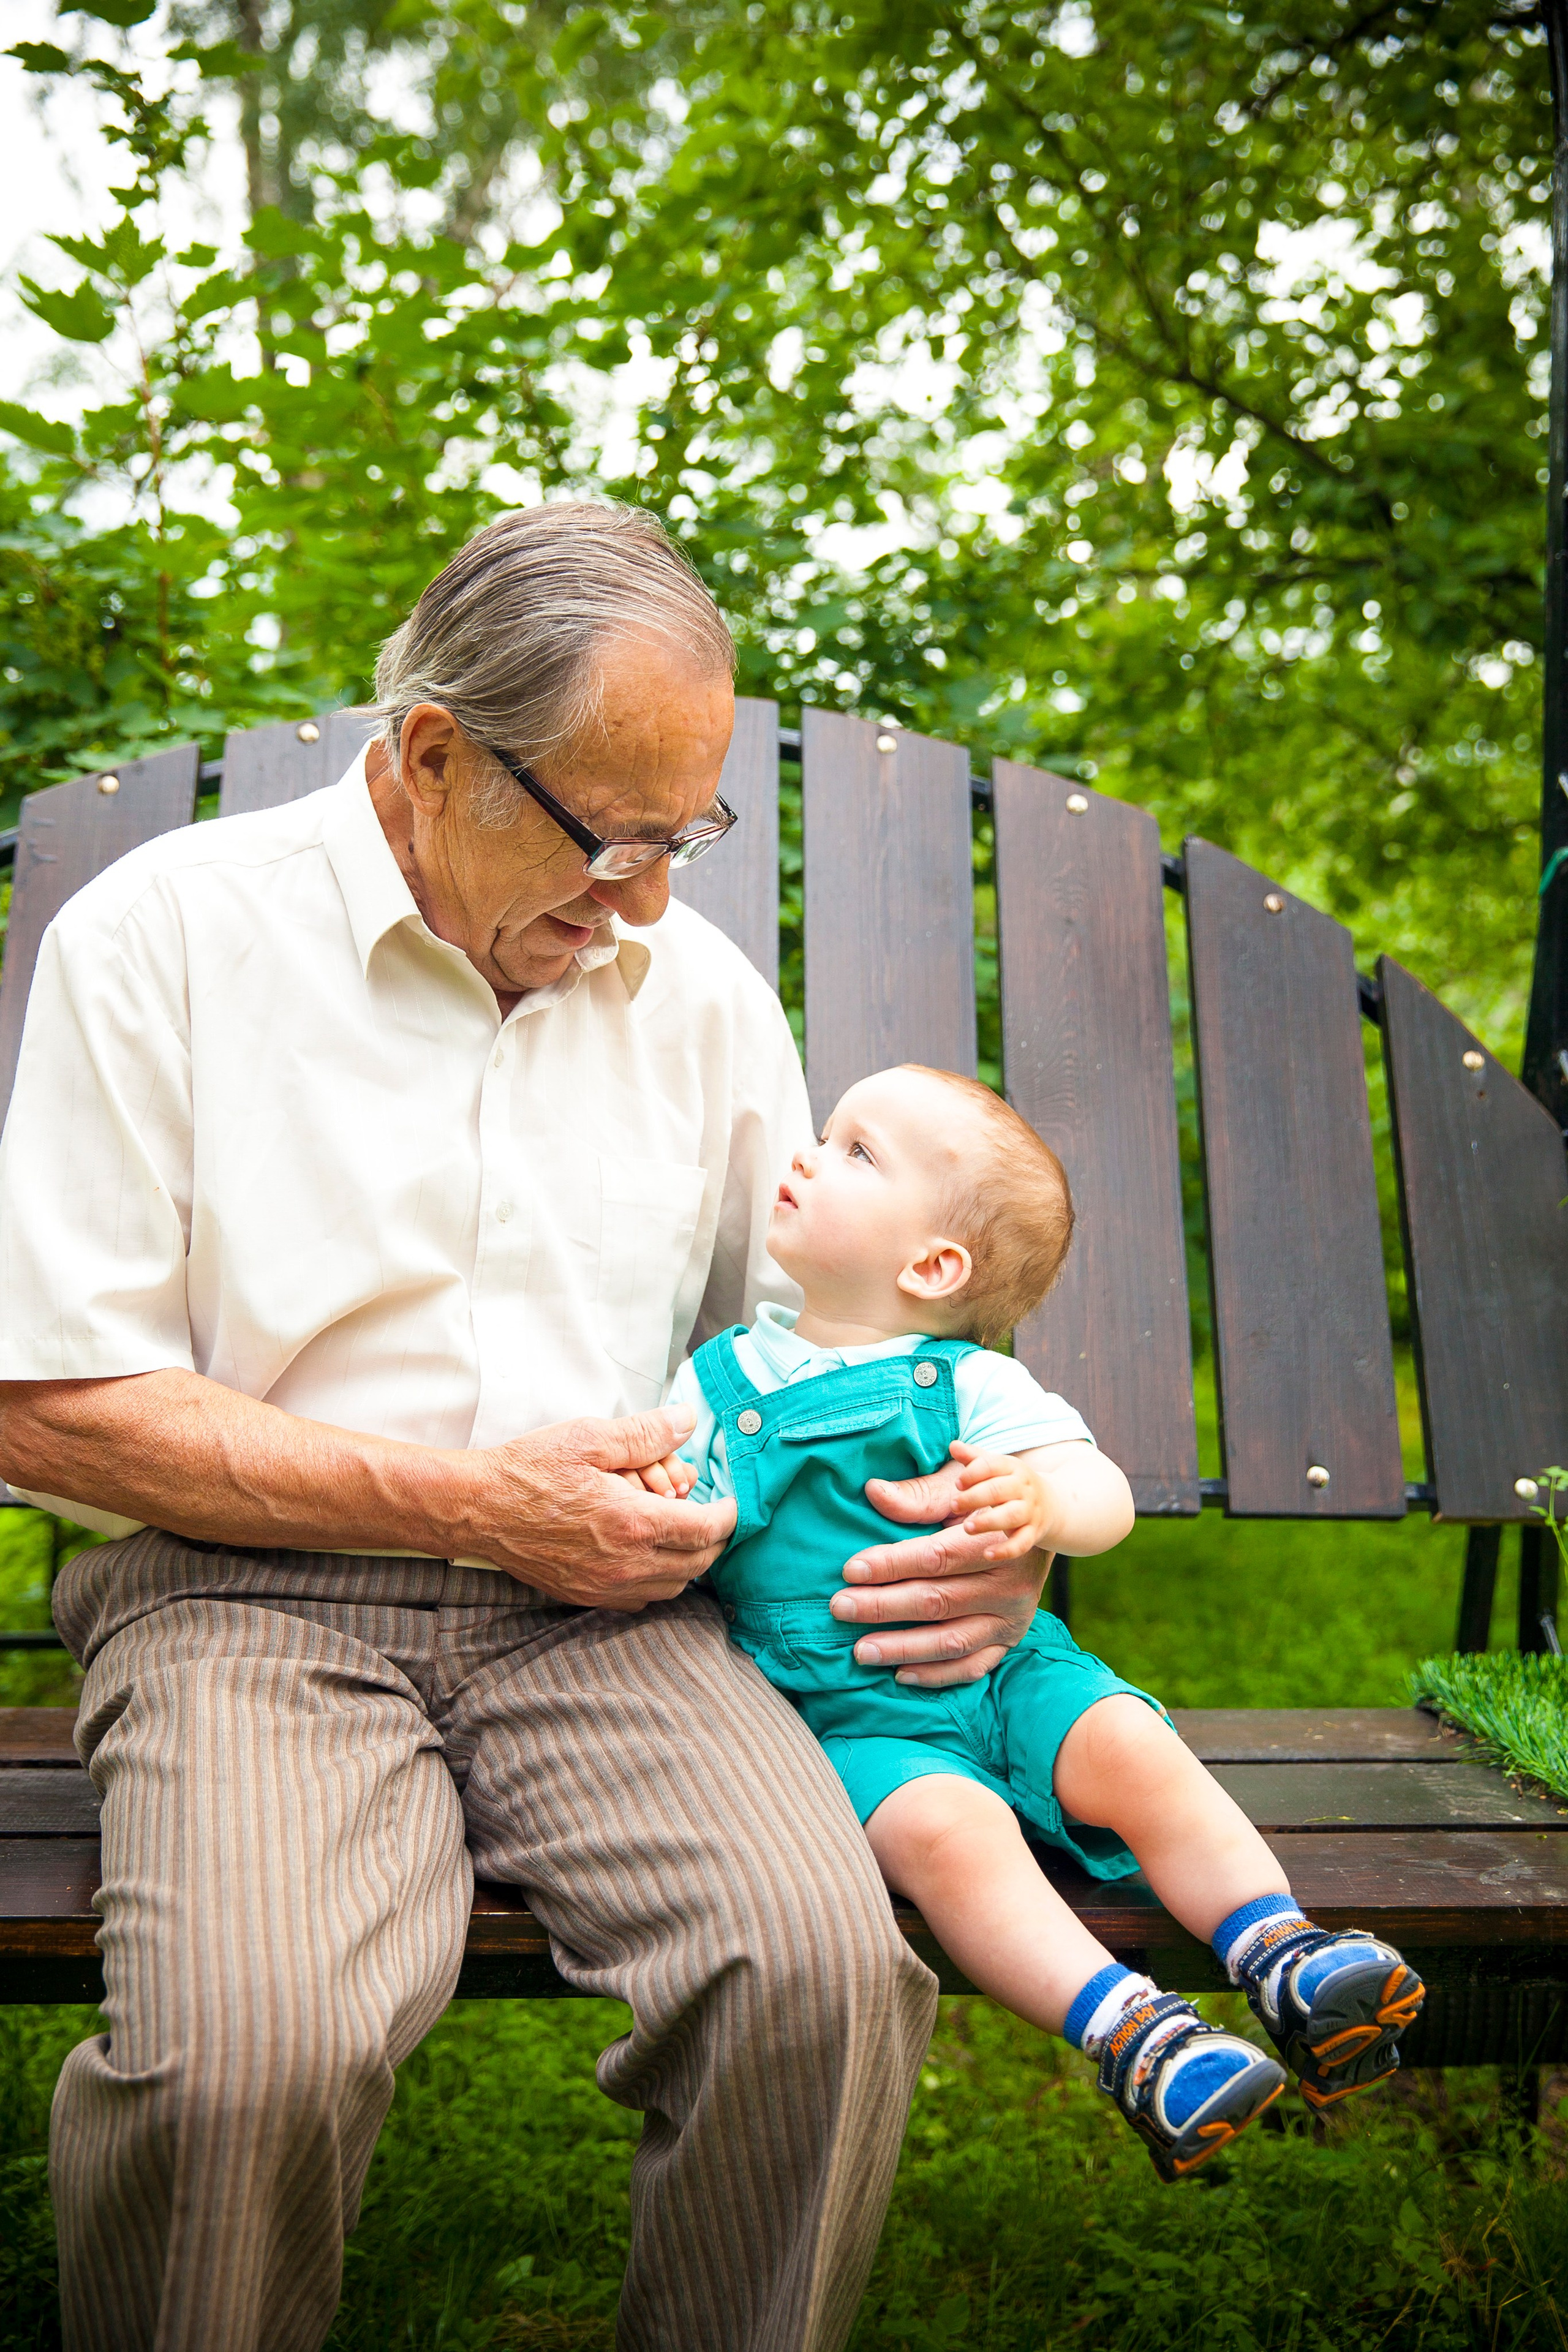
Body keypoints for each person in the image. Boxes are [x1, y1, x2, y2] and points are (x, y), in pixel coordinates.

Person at [0, 507, 1049, 2352]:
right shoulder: (163, 940)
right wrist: (476, 1505)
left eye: (684, 835)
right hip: (249, 1604)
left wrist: (990, 1520)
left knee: (820, 1979)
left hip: (616, 1615)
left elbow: (813, 1349)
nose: (648, 899)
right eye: (609, 835)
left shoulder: (698, 1000)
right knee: (245, 2061)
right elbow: (60, 1412)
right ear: (427, 754)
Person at [638, 1063, 1427, 2181]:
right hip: (851, 1722)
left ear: (932, 1265)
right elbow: (670, 1509)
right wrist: (669, 1504)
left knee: (1134, 1747)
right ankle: (1139, 2039)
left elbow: (1101, 1496)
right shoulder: (716, 1388)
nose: (808, 1156)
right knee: (949, 1837)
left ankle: (1283, 1952)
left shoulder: (969, 1384)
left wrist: (1043, 1501)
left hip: (1012, 1673)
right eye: (826, 1135)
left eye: (857, 1151)